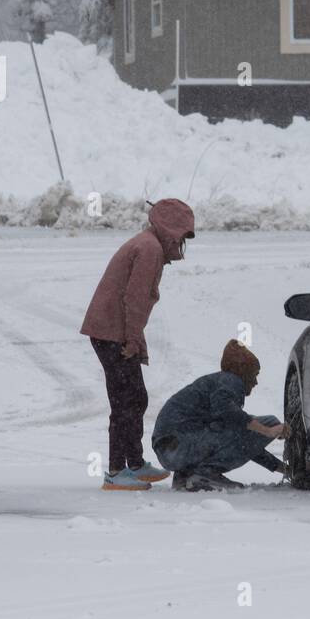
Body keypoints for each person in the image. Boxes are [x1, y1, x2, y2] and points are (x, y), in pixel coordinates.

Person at [81, 198, 195, 491]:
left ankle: (135, 463)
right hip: (111, 333)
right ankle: (117, 471)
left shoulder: (149, 245)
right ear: (169, 230)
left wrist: (136, 340)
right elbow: (135, 299)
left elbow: (136, 302)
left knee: (136, 397)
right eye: (182, 235)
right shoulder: (149, 250)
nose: (182, 243)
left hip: (113, 330)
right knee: (125, 402)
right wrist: (132, 340)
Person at [151, 340, 286, 491]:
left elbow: (244, 442)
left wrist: (282, 468)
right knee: (270, 422)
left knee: (240, 428)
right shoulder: (231, 380)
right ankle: (205, 475)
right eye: (255, 375)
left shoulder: (219, 382)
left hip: (170, 449)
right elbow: (227, 413)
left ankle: (187, 475)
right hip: (179, 445)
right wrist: (268, 431)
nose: (255, 382)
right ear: (243, 371)